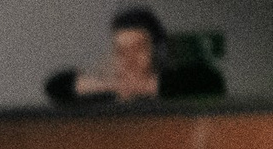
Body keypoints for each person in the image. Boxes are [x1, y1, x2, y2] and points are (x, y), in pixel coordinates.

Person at [44, 6, 224, 105]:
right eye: (121, 51)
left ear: (157, 51)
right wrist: (109, 84)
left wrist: (142, 86)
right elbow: (56, 86)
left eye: (138, 49)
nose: (129, 60)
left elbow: (211, 81)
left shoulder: (178, 86)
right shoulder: (107, 95)